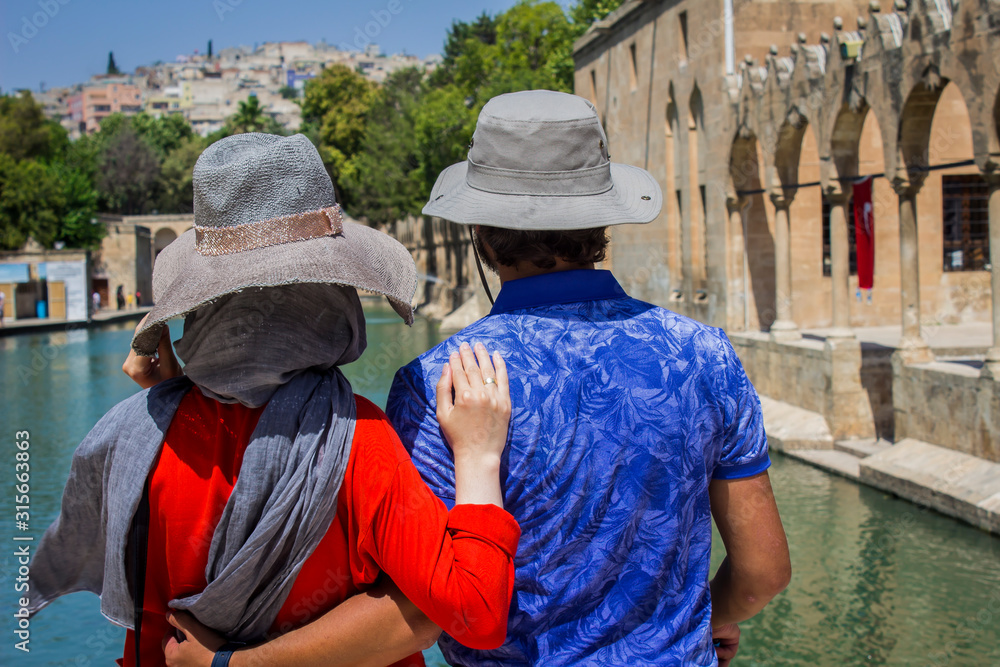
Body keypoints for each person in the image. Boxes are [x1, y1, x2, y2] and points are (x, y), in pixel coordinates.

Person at [129, 92, 790, 667]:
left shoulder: (440, 382)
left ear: (478, 230)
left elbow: (418, 610)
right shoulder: (704, 354)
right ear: (603, 219)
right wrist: (697, 617)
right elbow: (762, 572)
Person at [30, 133, 519, 667]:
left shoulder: (129, 440)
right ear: (329, 294)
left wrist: (170, 400)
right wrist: (477, 457)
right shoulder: (359, 439)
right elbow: (474, 611)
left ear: (204, 304)